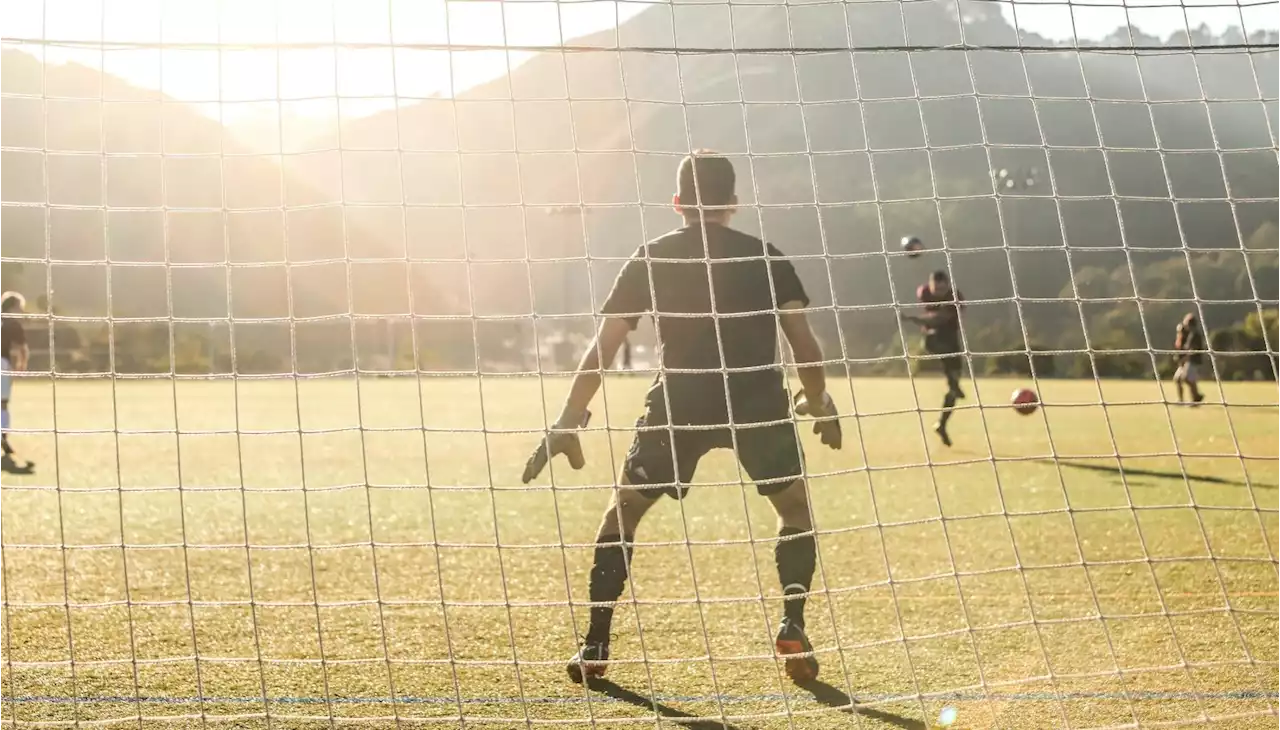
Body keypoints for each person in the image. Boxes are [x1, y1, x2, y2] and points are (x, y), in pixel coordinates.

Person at [520, 151, 843, 685]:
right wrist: (820, 401)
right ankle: (793, 623)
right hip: (757, 399)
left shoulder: (651, 257)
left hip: (680, 403)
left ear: (677, 204)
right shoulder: (766, 257)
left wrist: (569, 418)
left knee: (622, 515)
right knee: (793, 509)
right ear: (733, 204)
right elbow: (804, 345)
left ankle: (596, 644)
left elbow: (602, 348)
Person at [901, 270, 965, 447]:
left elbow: (939, 319)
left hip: (950, 340)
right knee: (935, 338)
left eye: (943, 288)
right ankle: (953, 383)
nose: (939, 291)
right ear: (930, 285)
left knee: (953, 390)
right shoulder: (924, 293)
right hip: (933, 339)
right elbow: (928, 318)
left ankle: (942, 424)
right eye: (936, 288)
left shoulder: (954, 297)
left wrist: (912, 318)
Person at [0, 292, 30, 467]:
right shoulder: (13, 323)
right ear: (13, 307)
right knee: (2, 403)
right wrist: (22, 367)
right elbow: (22, 348)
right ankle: (3, 438)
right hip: (2, 364)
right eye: (20, 307)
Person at [1173, 312, 1205, 405]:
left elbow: (1192, 350)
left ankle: (1196, 398)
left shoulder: (1195, 335)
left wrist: (1184, 359)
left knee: (1188, 379)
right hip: (1188, 361)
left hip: (1193, 361)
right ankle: (1184, 399)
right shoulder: (1191, 334)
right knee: (1178, 379)